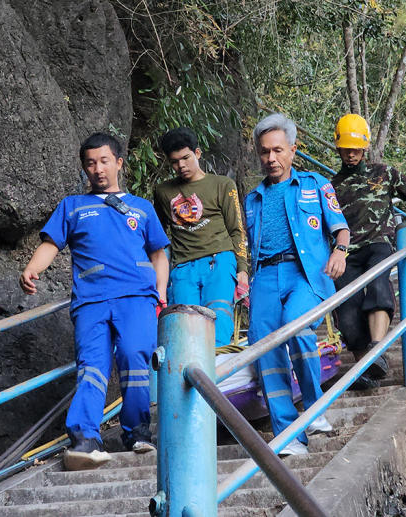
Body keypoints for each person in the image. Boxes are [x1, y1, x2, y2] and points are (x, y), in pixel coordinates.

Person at [19, 133, 170, 471]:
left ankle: (138, 433)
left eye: (104, 161)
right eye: (90, 163)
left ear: (119, 162)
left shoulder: (142, 208)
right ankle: (85, 439)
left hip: (137, 298)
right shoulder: (72, 206)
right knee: (92, 366)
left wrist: (161, 291)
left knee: (135, 358)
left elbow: (159, 254)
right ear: (84, 168)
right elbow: (51, 244)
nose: (98, 169)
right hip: (92, 301)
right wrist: (32, 268)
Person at [244, 113, 351, 456]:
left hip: (305, 274)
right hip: (264, 278)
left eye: (277, 150)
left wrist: (341, 252)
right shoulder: (252, 199)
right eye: (264, 152)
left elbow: (340, 227)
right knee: (266, 349)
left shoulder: (315, 184)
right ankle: (289, 435)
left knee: (297, 327)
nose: (271, 159)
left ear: (293, 149)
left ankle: (314, 407)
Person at [329, 114, 406, 390]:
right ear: (338, 148)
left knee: (378, 283)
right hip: (346, 252)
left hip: (378, 244)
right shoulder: (331, 186)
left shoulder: (383, 173)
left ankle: (376, 350)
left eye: (356, 149)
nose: (351, 154)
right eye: (346, 149)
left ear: (365, 148)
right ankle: (365, 367)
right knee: (346, 311)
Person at [153, 127, 249, 349]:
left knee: (218, 324)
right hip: (182, 267)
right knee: (185, 330)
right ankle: (191, 382)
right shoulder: (163, 191)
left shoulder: (222, 185)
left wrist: (242, 269)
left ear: (197, 153)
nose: (181, 166)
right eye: (175, 161)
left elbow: (237, 230)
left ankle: (219, 382)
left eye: (186, 158)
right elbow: (158, 236)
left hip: (220, 261)